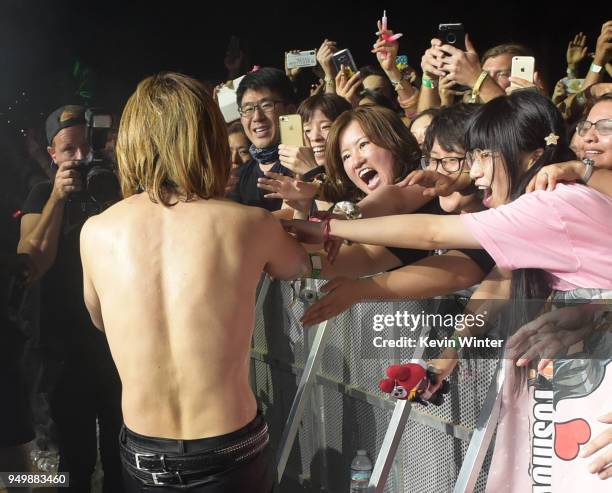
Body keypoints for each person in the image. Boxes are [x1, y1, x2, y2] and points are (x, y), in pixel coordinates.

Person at [285, 91, 612, 490]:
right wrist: (444, 360)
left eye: (480, 156)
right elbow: (501, 279)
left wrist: (329, 225)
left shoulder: (550, 204)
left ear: (522, 153)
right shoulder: (543, 207)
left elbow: (432, 231)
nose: (473, 174)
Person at [80, 72, 309, 492]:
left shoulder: (96, 231)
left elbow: (100, 320)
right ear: (208, 138)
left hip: (144, 454)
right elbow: (298, 267)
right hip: (228, 450)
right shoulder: (247, 224)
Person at [17, 105, 124, 493]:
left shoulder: (108, 185)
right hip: (63, 348)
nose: (80, 157)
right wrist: (57, 201)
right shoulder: (41, 193)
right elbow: (31, 262)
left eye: (86, 146)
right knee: (74, 456)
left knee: (119, 448)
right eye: (69, 150)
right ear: (51, 154)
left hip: (113, 341)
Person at [226, 67, 297, 211]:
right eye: (248, 109)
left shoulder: (306, 166)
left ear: (290, 111)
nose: (257, 117)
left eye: (266, 105)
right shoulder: (238, 178)